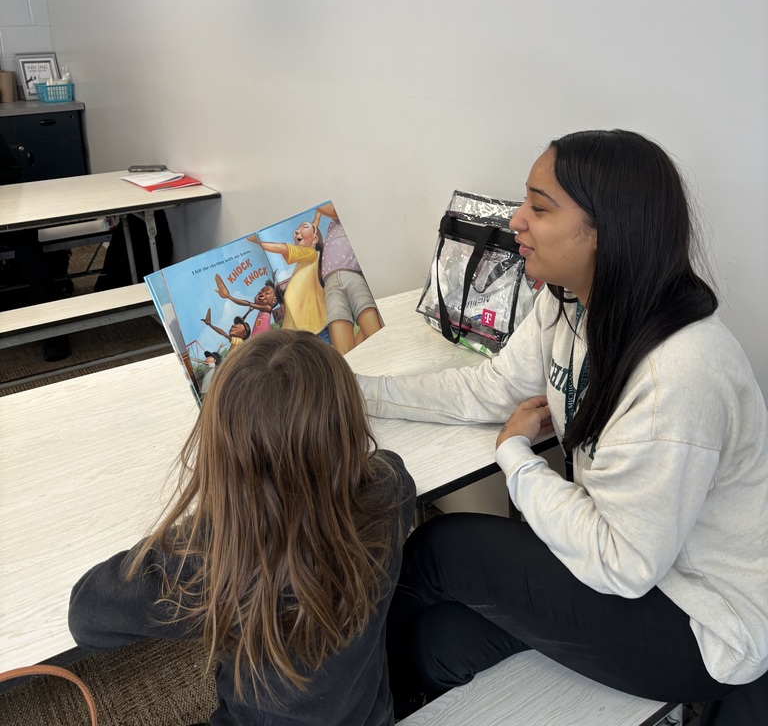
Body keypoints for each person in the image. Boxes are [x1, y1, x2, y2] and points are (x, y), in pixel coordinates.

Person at [357, 129, 768, 725]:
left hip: (699, 621)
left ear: (607, 229)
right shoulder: (569, 303)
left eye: (539, 206)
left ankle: (351, 706)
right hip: (632, 567)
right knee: (438, 642)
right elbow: (484, 389)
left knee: (439, 548)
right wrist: (356, 392)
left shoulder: (681, 372)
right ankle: (389, 699)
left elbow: (622, 563)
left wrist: (517, 459)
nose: (517, 221)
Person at [69, 330, 416, 726]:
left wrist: (214, 522)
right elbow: (387, 463)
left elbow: (86, 616)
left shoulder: (209, 560)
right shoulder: (389, 496)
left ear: (221, 452)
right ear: (348, 426)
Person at [315, 202, 383, 355]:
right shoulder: (332, 226)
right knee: (344, 348)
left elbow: (336, 210)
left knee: (374, 330)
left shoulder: (348, 212)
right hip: (331, 282)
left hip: (353, 274)